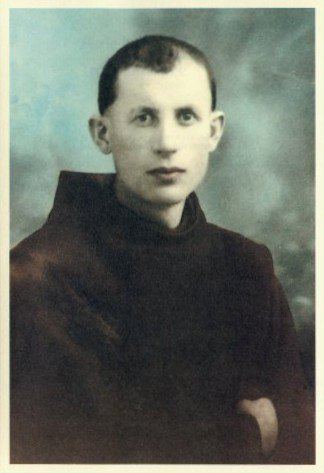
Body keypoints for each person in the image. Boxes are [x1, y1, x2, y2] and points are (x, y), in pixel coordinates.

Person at [10, 35, 314, 464]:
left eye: (186, 116)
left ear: (213, 131)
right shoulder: (38, 277)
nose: (167, 142)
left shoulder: (247, 264)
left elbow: (300, 439)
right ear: (103, 133)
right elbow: (66, 449)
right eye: (144, 117)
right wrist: (247, 433)